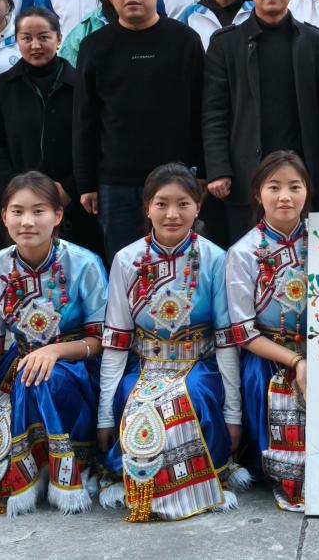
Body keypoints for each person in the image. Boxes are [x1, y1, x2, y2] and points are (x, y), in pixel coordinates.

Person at [0, 171, 108, 518]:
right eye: (17, 211)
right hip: (17, 368)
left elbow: (100, 340)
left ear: (58, 215)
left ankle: (64, 468)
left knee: (43, 379)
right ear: (3, 216)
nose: (27, 221)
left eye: (39, 211)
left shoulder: (84, 264)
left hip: (77, 368)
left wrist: (54, 351)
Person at [96, 164, 247, 521]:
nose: (172, 214)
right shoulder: (126, 260)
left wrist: (233, 414)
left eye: (183, 204)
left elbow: (226, 341)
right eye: (161, 204)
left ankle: (194, 484)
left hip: (200, 364)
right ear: (147, 207)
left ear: (198, 207)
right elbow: (116, 339)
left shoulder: (215, 258)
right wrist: (104, 416)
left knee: (194, 393)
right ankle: (143, 485)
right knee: (132, 396)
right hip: (144, 364)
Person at [73, 0, 206, 262]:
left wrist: (203, 170)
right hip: (116, 180)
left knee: (180, 264)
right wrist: (85, 182)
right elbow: (84, 119)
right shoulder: (94, 46)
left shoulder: (185, 40)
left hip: (176, 176)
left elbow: (201, 110)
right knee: (125, 264)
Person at [204, 0, 319, 241]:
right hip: (245, 173)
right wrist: (219, 169)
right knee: (248, 255)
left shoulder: (314, 42)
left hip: (301, 176)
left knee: (302, 255)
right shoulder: (226, 44)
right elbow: (213, 113)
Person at [224, 151, 311, 511]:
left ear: (307, 191)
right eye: (274, 187)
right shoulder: (242, 253)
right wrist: (297, 362)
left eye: (295, 186)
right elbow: (243, 332)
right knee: (266, 383)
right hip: (268, 355)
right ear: (258, 194)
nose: (285, 197)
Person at [0, 7, 104, 257]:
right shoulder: (2, 86)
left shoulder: (81, 84)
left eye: (44, 37)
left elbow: (96, 138)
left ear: (59, 39)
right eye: (26, 38)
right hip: (14, 198)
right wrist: (14, 188)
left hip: (71, 202)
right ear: (17, 41)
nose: (35, 45)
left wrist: (70, 188)